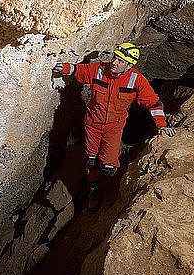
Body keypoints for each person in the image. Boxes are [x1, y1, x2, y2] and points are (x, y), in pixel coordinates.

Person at [53, 42, 176, 210]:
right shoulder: (99, 70)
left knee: (109, 167)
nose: (114, 63)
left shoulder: (136, 81)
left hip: (114, 127)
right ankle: (93, 190)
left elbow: (154, 104)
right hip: (92, 124)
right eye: (115, 58)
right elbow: (78, 70)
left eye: (120, 61)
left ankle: (112, 179)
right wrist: (65, 68)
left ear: (129, 65)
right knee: (91, 162)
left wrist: (161, 126)